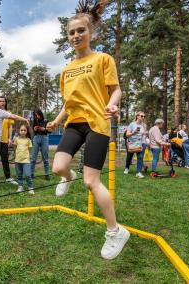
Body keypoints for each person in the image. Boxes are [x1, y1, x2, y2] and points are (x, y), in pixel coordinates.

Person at [46, 0, 130, 260]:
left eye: (80, 31)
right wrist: (58, 120)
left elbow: (115, 89)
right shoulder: (67, 70)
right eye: (71, 32)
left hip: (98, 123)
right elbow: (69, 103)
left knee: (91, 181)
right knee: (58, 167)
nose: (75, 36)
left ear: (91, 33)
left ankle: (115, 231)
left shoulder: (103, 59)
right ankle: (67, 177)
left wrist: (113, 105)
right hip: (75, 122)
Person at [0, 96, 18, 185]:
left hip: (4, 140)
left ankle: (8, 177)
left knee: (5, 159)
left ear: (5, 102)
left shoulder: (8, 113)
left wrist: (9, 138)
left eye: (3, 101)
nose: (2, 102)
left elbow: (10, 127)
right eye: (0, 101)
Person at [124, 111, 147, 178]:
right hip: (131, 143)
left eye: (144, 116)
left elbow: (143, 133)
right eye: (141, 116)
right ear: (137, 116)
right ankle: (127, 168)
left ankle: (138, 172)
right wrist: (134, 133)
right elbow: (127, 135)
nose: (143, 117)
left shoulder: (144, 125)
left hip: (141, 143)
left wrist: (145, 135)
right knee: (129, 157)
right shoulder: (132, 124)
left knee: (140, 157)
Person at [30, 108, 51, 180]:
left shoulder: (46, 121)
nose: (37, 116)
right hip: (36, 138)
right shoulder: (34, 121)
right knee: (33, 158)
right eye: (35, 115)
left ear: (40, 113)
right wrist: (35, 129)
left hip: (44, 138)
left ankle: (47, 174)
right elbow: (33, 131)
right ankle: (31, 174)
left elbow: (50, 131)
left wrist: (44, 129)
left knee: (45, 157)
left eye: (38, 114)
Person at [14, 124, 34, 194]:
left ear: (27, 131)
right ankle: (20, 186)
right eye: (21, 130)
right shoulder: (16, 139)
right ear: (19, 131)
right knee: (19, 175)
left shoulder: (28, 140)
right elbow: (15, 148)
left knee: (28, 175)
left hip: (26, 161)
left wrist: (28, 156)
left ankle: (30, 187)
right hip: (17, 160)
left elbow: (30, 149)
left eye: (24, 130)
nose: (23, 131)